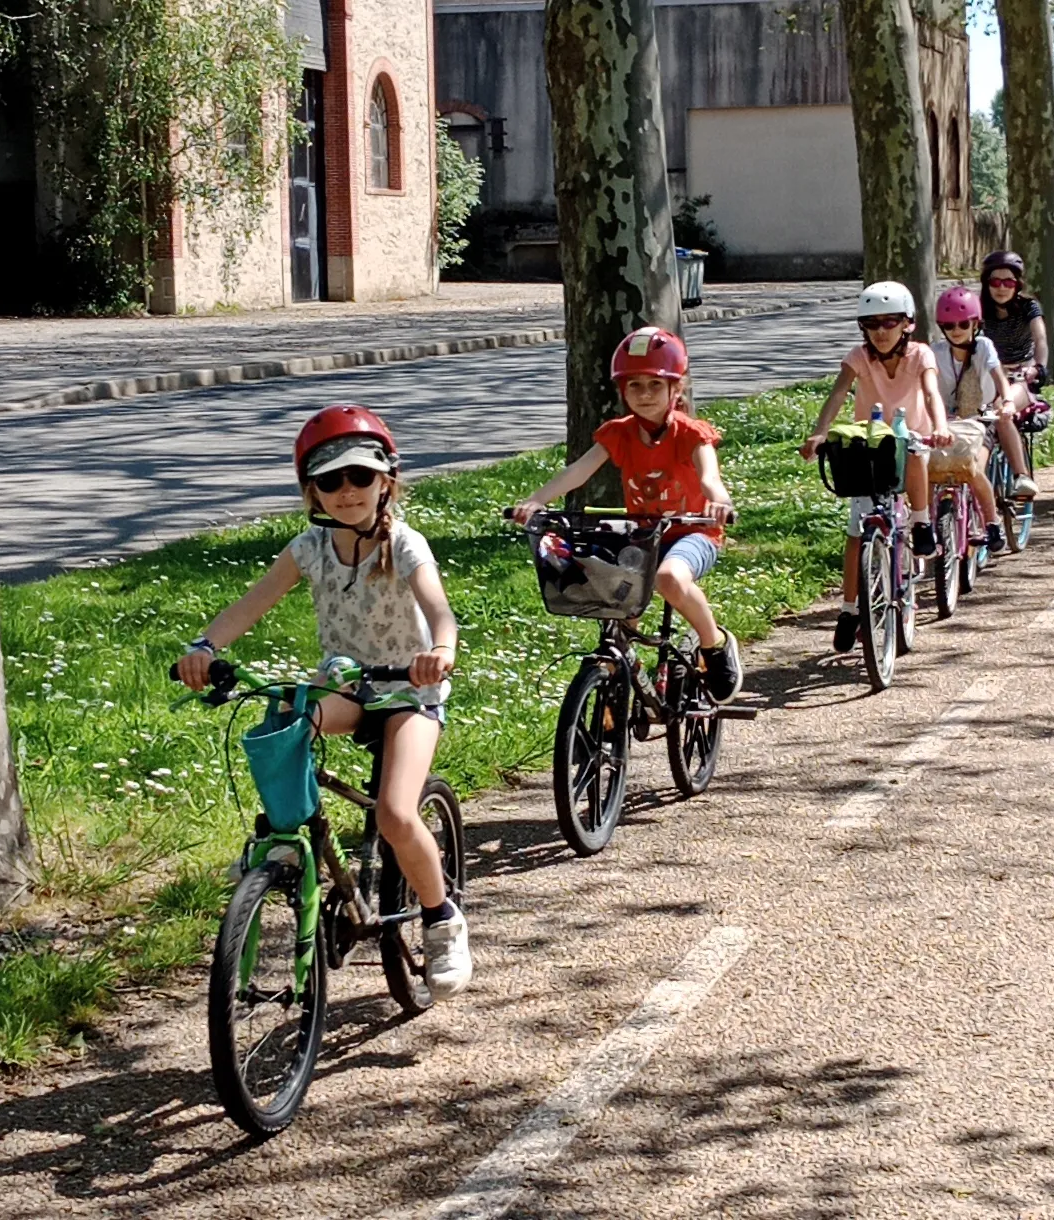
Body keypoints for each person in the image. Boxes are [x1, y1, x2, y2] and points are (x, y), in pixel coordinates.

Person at [176, 404, 472, 999]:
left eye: (360, 477)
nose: (346, 491)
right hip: (349, 683)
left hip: (410, 689)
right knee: (288, 715)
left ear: (386, 480)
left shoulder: (405, 544)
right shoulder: (308, 548)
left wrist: (439, 649)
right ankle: (287, 835)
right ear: (311, 490)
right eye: (330, 480)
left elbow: (440, 610)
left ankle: (442, 919)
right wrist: (205, 645)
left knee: (393, 814)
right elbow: (249, 606)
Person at [511, 327, 743, 702]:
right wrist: (536, 500)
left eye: (655, 384)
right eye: (634, 385)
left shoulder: (691, 434)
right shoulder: (619, 434)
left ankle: (713, 645)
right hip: (643, 537)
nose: (645, 394)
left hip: (693, 534)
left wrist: (719, 502)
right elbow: (579, 471)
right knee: (617, 604)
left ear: (676, 389)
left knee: (669, 578)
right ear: (623, 391)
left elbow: (709, 477)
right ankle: (617, 685)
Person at [800, 281, 946, 654]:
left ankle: (921, 520)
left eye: (890, 322)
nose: (881, 332)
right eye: (872, 324)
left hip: (911, 438)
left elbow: (931, 393)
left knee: (912, 450)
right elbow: (837, 394)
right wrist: (819, 434)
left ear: (907, 323)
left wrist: (940, 427)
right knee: (856, 532)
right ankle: (849, 609)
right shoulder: (858, 357)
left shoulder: (921, 356)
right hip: (867, 447)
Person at [931, 285, 1013, 553]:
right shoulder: (935, 353)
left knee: (973, 466)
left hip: (981, 418)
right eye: (949, 324)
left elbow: (998, 375)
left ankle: (992, 522)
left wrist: (1007, 400)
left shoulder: (984, 347)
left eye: (963, 324)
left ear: (975, 324)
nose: (957, 330)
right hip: (946, 421)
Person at [975, 251, 1044, 498]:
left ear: (1018, 285)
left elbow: (1041, 339)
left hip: (1021, 376)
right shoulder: (979, 309)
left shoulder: (1028, 307)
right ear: (986, 284)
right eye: (995, 282)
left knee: (1001, 410)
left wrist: (1038, 367)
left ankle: (1021, 476)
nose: (1002, 288)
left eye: (1009, 282)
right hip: (988, 375)